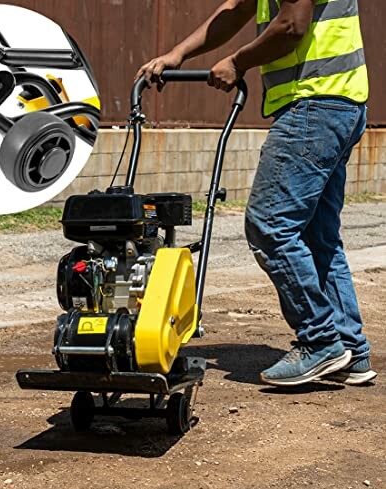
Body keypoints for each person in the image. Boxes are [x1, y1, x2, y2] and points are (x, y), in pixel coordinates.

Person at [136, 0, 376, 386]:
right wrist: (177, 54)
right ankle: (350, 350)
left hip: (314, 103)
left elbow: (291, 26)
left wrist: (237, 61)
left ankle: (320, 341)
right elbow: (235, 9)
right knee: (318, 236)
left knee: (270, 225)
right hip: (338, 102)